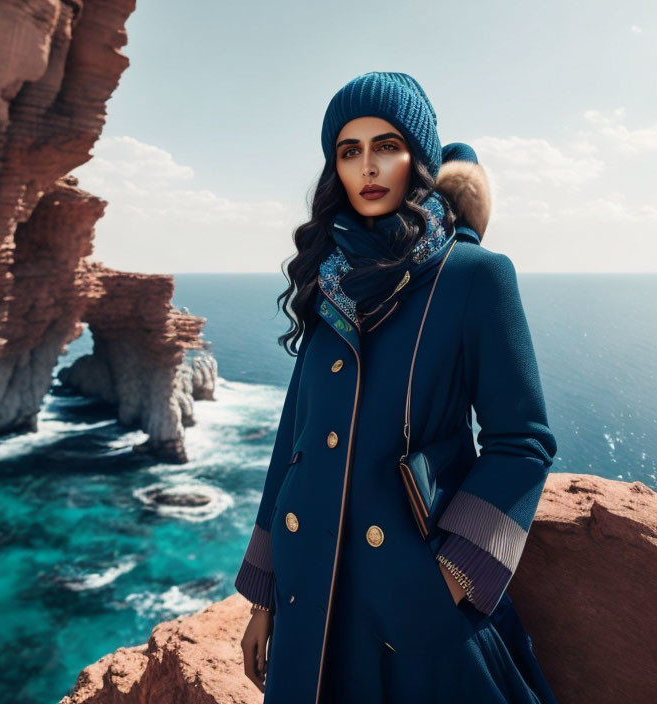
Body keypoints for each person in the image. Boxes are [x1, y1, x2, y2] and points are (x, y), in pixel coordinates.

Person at [234, 71, 558, 703]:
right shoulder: (327, 281)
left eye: (386, 145)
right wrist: (266, 598)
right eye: (349, 151)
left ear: (418, 156)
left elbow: (522, 441)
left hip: (408, 605)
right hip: (307, 599)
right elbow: (291, 446)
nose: (368, 167)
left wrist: (452, 576)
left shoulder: (474, 276)